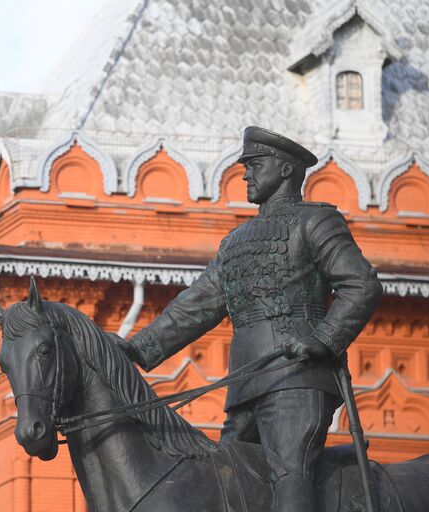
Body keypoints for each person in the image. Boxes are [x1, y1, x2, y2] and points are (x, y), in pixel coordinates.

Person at [115, 126, 383, 512]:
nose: (246, 174)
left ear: (286, 169)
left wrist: (324, 338)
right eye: (245, 167)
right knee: (229, 478)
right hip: (246, 380)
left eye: (255, 165)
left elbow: (360, 284)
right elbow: (199, 303)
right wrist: (138, 348)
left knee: (290, 473)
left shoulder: (316, 222)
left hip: (298, 375)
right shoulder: (235, 241)